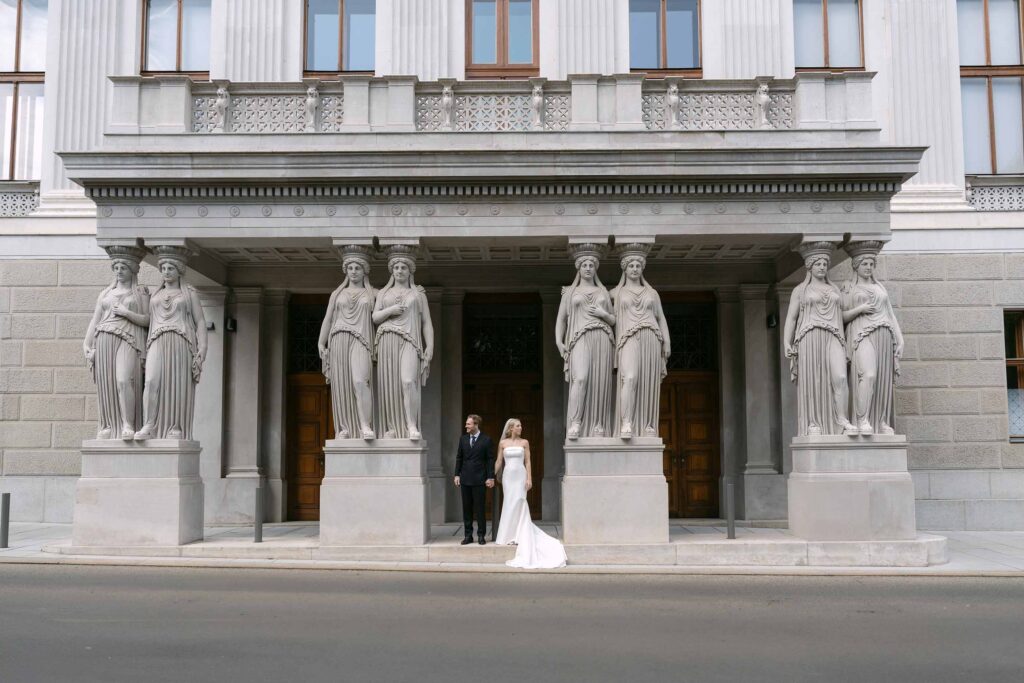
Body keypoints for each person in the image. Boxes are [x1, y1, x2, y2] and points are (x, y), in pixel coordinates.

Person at [783, 242, 856, 436]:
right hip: (810, 336)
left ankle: (842, 420)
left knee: (840, 377)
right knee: (813, 380)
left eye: (825, 263)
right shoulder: (801, 290)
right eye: (818, 264)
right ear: (810, 266)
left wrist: (856, 302)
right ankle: (813, 422)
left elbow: (842, 314)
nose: (822, 267)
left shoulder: (835, 290)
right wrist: (786, 342)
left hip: (834, 335)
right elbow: (791, 318)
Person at [134, 249, 208, 440]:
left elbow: (200, 321)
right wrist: (139, 300)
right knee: (151, 381)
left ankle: (175, 426)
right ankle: (149, 424)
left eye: (170, 268)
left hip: (180, 340)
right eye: (163, 268)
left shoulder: (188, 293)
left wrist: (202, 348)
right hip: (157, 339)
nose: (166, 272)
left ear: (179, 270)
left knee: (177, 384)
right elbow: (147, 319)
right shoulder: (155, 294)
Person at [83, 247, 150, 440]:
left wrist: (126, 313)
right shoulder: (106, 293)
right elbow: (95, 320)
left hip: (129, 338)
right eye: (116, 267)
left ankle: (128, 424)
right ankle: (110, 425)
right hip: (104, 338)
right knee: (108, 383)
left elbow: (147, 320)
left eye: (123, 267)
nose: (119, 271)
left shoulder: (140, 293)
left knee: (123, 380)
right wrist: (86, 344)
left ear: (132, 270)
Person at [842, 243, 904, 435]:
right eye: (865, 264)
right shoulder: (849, 288)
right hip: (862, 334)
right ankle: (862, 419)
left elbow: (890, 314)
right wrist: (860, 309)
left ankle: (881, 421)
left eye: (871, 264)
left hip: (884, 334)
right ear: (856, 265)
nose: (868, 267)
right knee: (868, 375)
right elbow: (841, 317)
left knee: (883, 380)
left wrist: (900, 339)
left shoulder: (879, 287)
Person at [609, 245, 671, 439]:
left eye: (638, 265)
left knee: (647, 381)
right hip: (628, 338)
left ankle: (647, 424)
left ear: (642, 268)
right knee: (630, 378)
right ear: (625, 268)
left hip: (651, 337)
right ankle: (626, 422)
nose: (635, 269)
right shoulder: (616, 293)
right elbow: (592, 298)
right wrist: (568, 293)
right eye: (631, 265)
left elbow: (661, 318)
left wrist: (667, 342)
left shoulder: (652, 293)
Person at [372, 247, 434, 440]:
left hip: (410, 340)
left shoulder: (418, 294)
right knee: (390, 385)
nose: (399, 270)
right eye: (396, 267)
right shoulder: (383, 293)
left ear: (410, 271)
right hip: (387, 338)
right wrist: (390, 310)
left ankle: (411, 425)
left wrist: (430, 347)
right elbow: (375, 317)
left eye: (403, 267)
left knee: (408, 381)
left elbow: (426, 323)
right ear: (392, 271)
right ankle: (392, 427)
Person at [555, 245, 615, 439]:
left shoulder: (603, 292)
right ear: (579, 268)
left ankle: (598, 425)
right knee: (580, 378)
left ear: (595, 268)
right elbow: (561, 320)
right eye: (584, 265)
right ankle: (575, 422)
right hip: (579, 337)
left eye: (591, 265)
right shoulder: (570, 293)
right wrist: (559, 341)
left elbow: (613, 320)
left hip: (602, 337)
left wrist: (603, 313)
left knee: (600, 382)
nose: (588, 268)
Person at [319, 246, 376, 440]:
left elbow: (393, 295)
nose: (353, 271)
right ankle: (344, 429)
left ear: (364, 270)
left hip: (361, 340)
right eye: (350, 268)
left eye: (357, 268)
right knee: (341, 385)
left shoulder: (372, 293)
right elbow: (328, 319)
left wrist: (415, 290)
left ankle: (365, 425)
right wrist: (321, 342)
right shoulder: (337, 294)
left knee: (360, 381)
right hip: (338, 339)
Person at [494, 418, 567, 569]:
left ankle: (519, 534)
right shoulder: (503, 443)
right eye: (518, 426)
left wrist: (529, 478)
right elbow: (499, 461)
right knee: (509, 503)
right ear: (511, 428)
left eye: (520, 425)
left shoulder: (525, 442)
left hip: (520, 476)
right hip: (508, 477)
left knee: (520, 502)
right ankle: (507, 535)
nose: (521, 427)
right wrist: (491, 475)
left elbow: (528, 462)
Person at [454, 414, 495, 545]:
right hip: (465, 478)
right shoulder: (463, 439)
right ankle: (468, 535)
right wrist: (456, 475)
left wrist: (490, 477)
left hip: (479, 479)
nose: (466, 426)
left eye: (468, 424)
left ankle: (481, 535)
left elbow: (490, 460)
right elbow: (459, 457)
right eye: (466, 423)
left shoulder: (486, 440)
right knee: (467, 509)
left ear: (476, 424)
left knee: (480, 508)